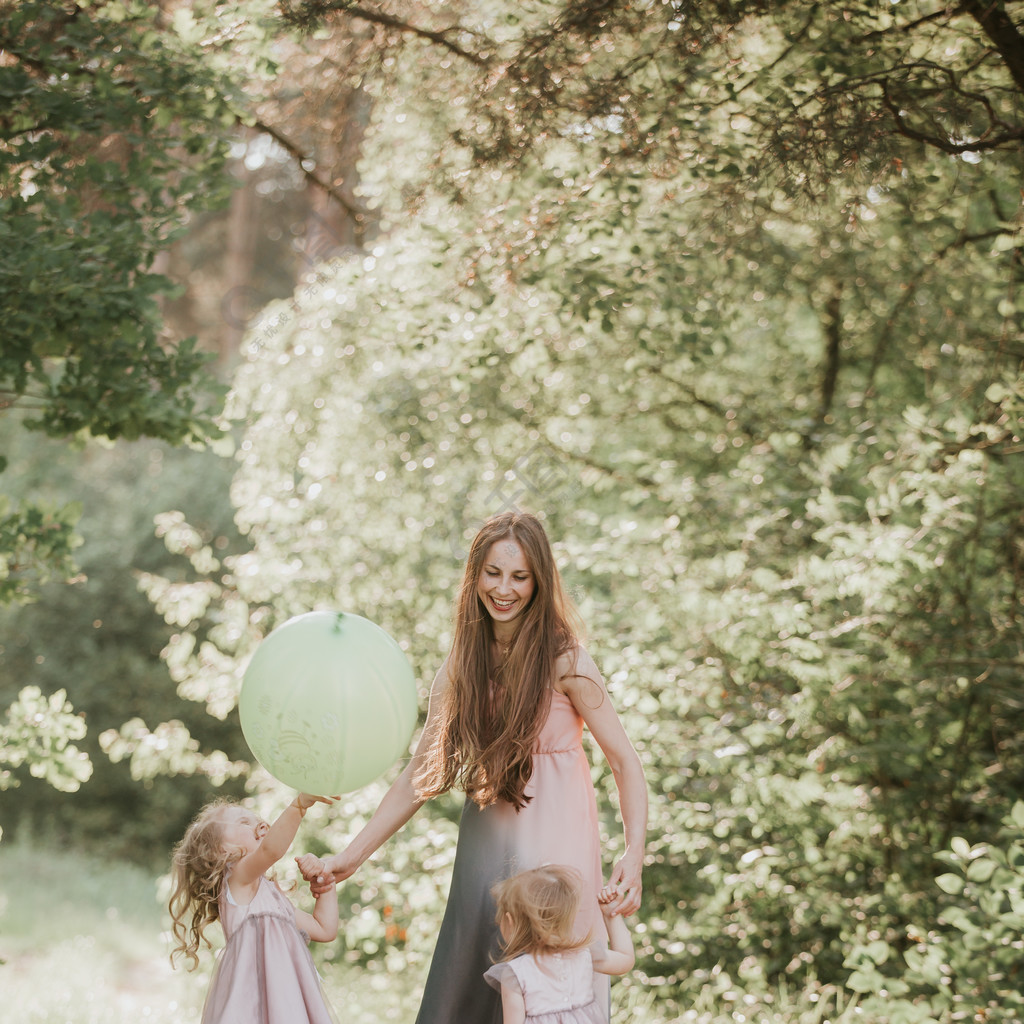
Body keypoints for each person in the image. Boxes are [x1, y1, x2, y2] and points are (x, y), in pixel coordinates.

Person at [300, 510, 648, 1024]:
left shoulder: (565, 660)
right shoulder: (462, 663)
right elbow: (420, 775)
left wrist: (634, 855)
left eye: (519, 576)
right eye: (493, 572)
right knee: (473, 963)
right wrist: (352, 856)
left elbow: (625, 761)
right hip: (486, 839)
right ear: (475, 575)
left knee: (552, 974)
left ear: (538, 580)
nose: (504, 588)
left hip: (558, 841)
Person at [169, 793, 340, 1024]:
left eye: (257, 820)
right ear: (221, 851)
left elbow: (324, 929)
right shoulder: (237, 880)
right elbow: (271, 850)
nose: (260, 824)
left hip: (287, 1000)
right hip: (253, 1006)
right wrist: (298, 806)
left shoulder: (272, 899)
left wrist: (326, 885)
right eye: (243, 822)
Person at [484, 864, 636, 1024]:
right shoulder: (583, 954)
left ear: (510, 921)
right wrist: (611, 915)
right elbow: (625, 959)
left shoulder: (515, 974)